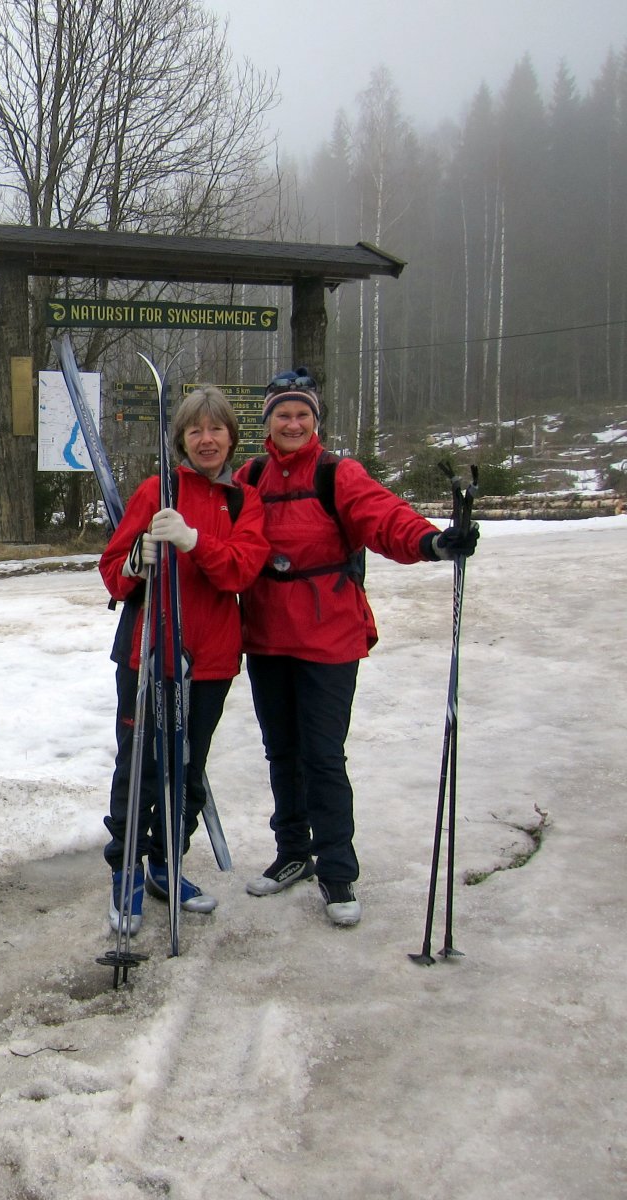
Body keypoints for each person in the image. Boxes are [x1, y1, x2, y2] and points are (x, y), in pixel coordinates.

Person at [233, 368, 479, 927]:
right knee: (282, 752)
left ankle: (337, 870)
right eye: (282, 414)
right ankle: (293, 852)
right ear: (267, 421)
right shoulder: (250, 476)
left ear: (314, 421)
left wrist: (432, 541)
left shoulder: (337, 473)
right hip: (268, 634)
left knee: (322, 755)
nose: (292, 423)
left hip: (328, 636)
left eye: (302, 415)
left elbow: (381, 515)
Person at [99, 386, 269, 934]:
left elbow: (243, 570)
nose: (206, 439)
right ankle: (125, 871)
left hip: (211, 659)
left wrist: (195, 542)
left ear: (230, 438)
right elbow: (111, 572)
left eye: (216, 429)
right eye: (195, 430)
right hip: (148, 654)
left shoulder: (243, 501)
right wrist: (136, 559)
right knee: (140, 766)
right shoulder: (157, 490)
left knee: (187, 772)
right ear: (182, 440)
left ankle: (166, 865)